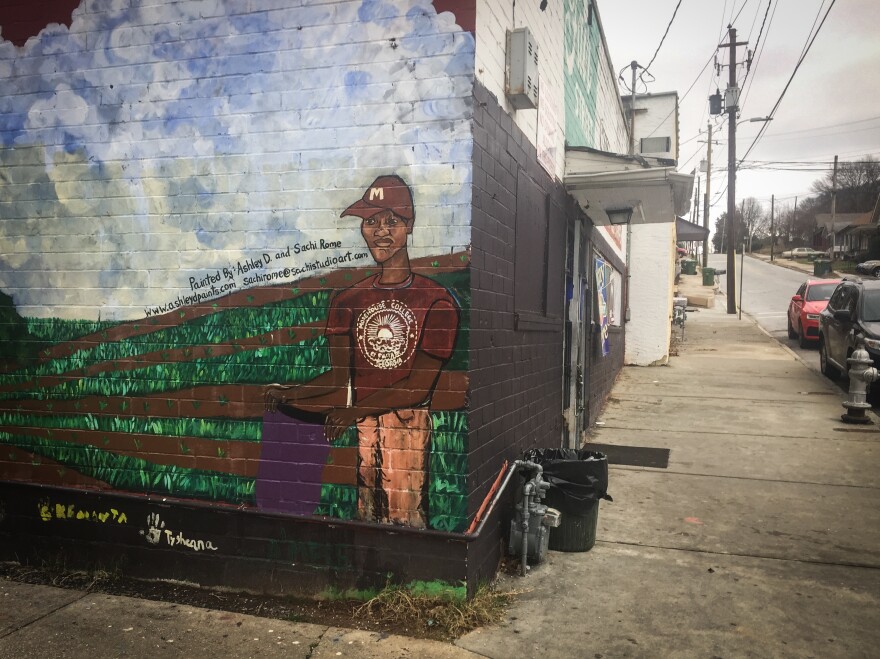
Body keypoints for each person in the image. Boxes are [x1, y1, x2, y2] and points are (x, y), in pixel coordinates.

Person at [265, 175, 460, 528]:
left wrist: (352, 410)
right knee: (367, 514)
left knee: (404, 518)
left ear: (409, 226)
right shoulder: (347, 301)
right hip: (364, 424)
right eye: (371, 222)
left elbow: (418, 387)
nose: (380, 231)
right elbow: (341, 377)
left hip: (406, 423)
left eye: (391, 220)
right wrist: (291, 393)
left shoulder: (437, 302)